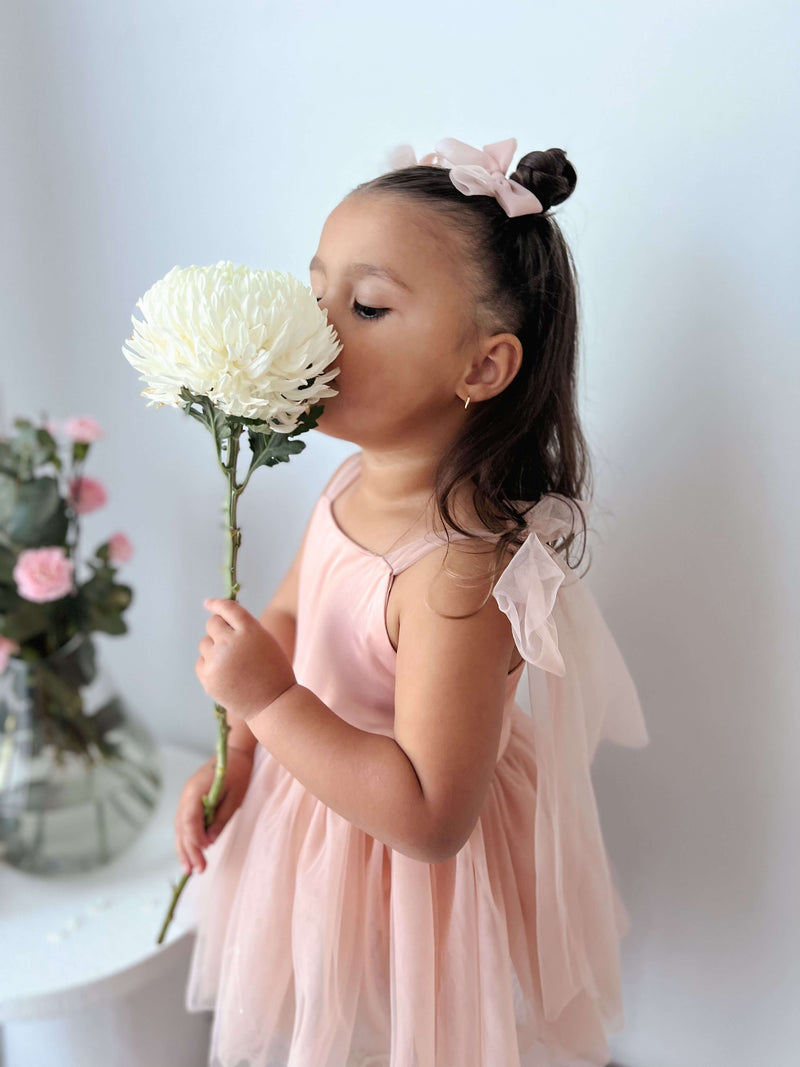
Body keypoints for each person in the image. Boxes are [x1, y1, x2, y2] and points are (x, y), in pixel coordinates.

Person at [178, 136, 649, 1067]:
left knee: (403, 1039)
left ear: (481, 367)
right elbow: (288, 618)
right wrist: (236, 749)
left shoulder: (458, 572)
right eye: (317, 296)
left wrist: (270, 704)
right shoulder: (360, 475)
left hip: (404, 880)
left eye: (367, 307)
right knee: (325, 1021)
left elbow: (432, 815)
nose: (318, 331)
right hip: (312, 814)